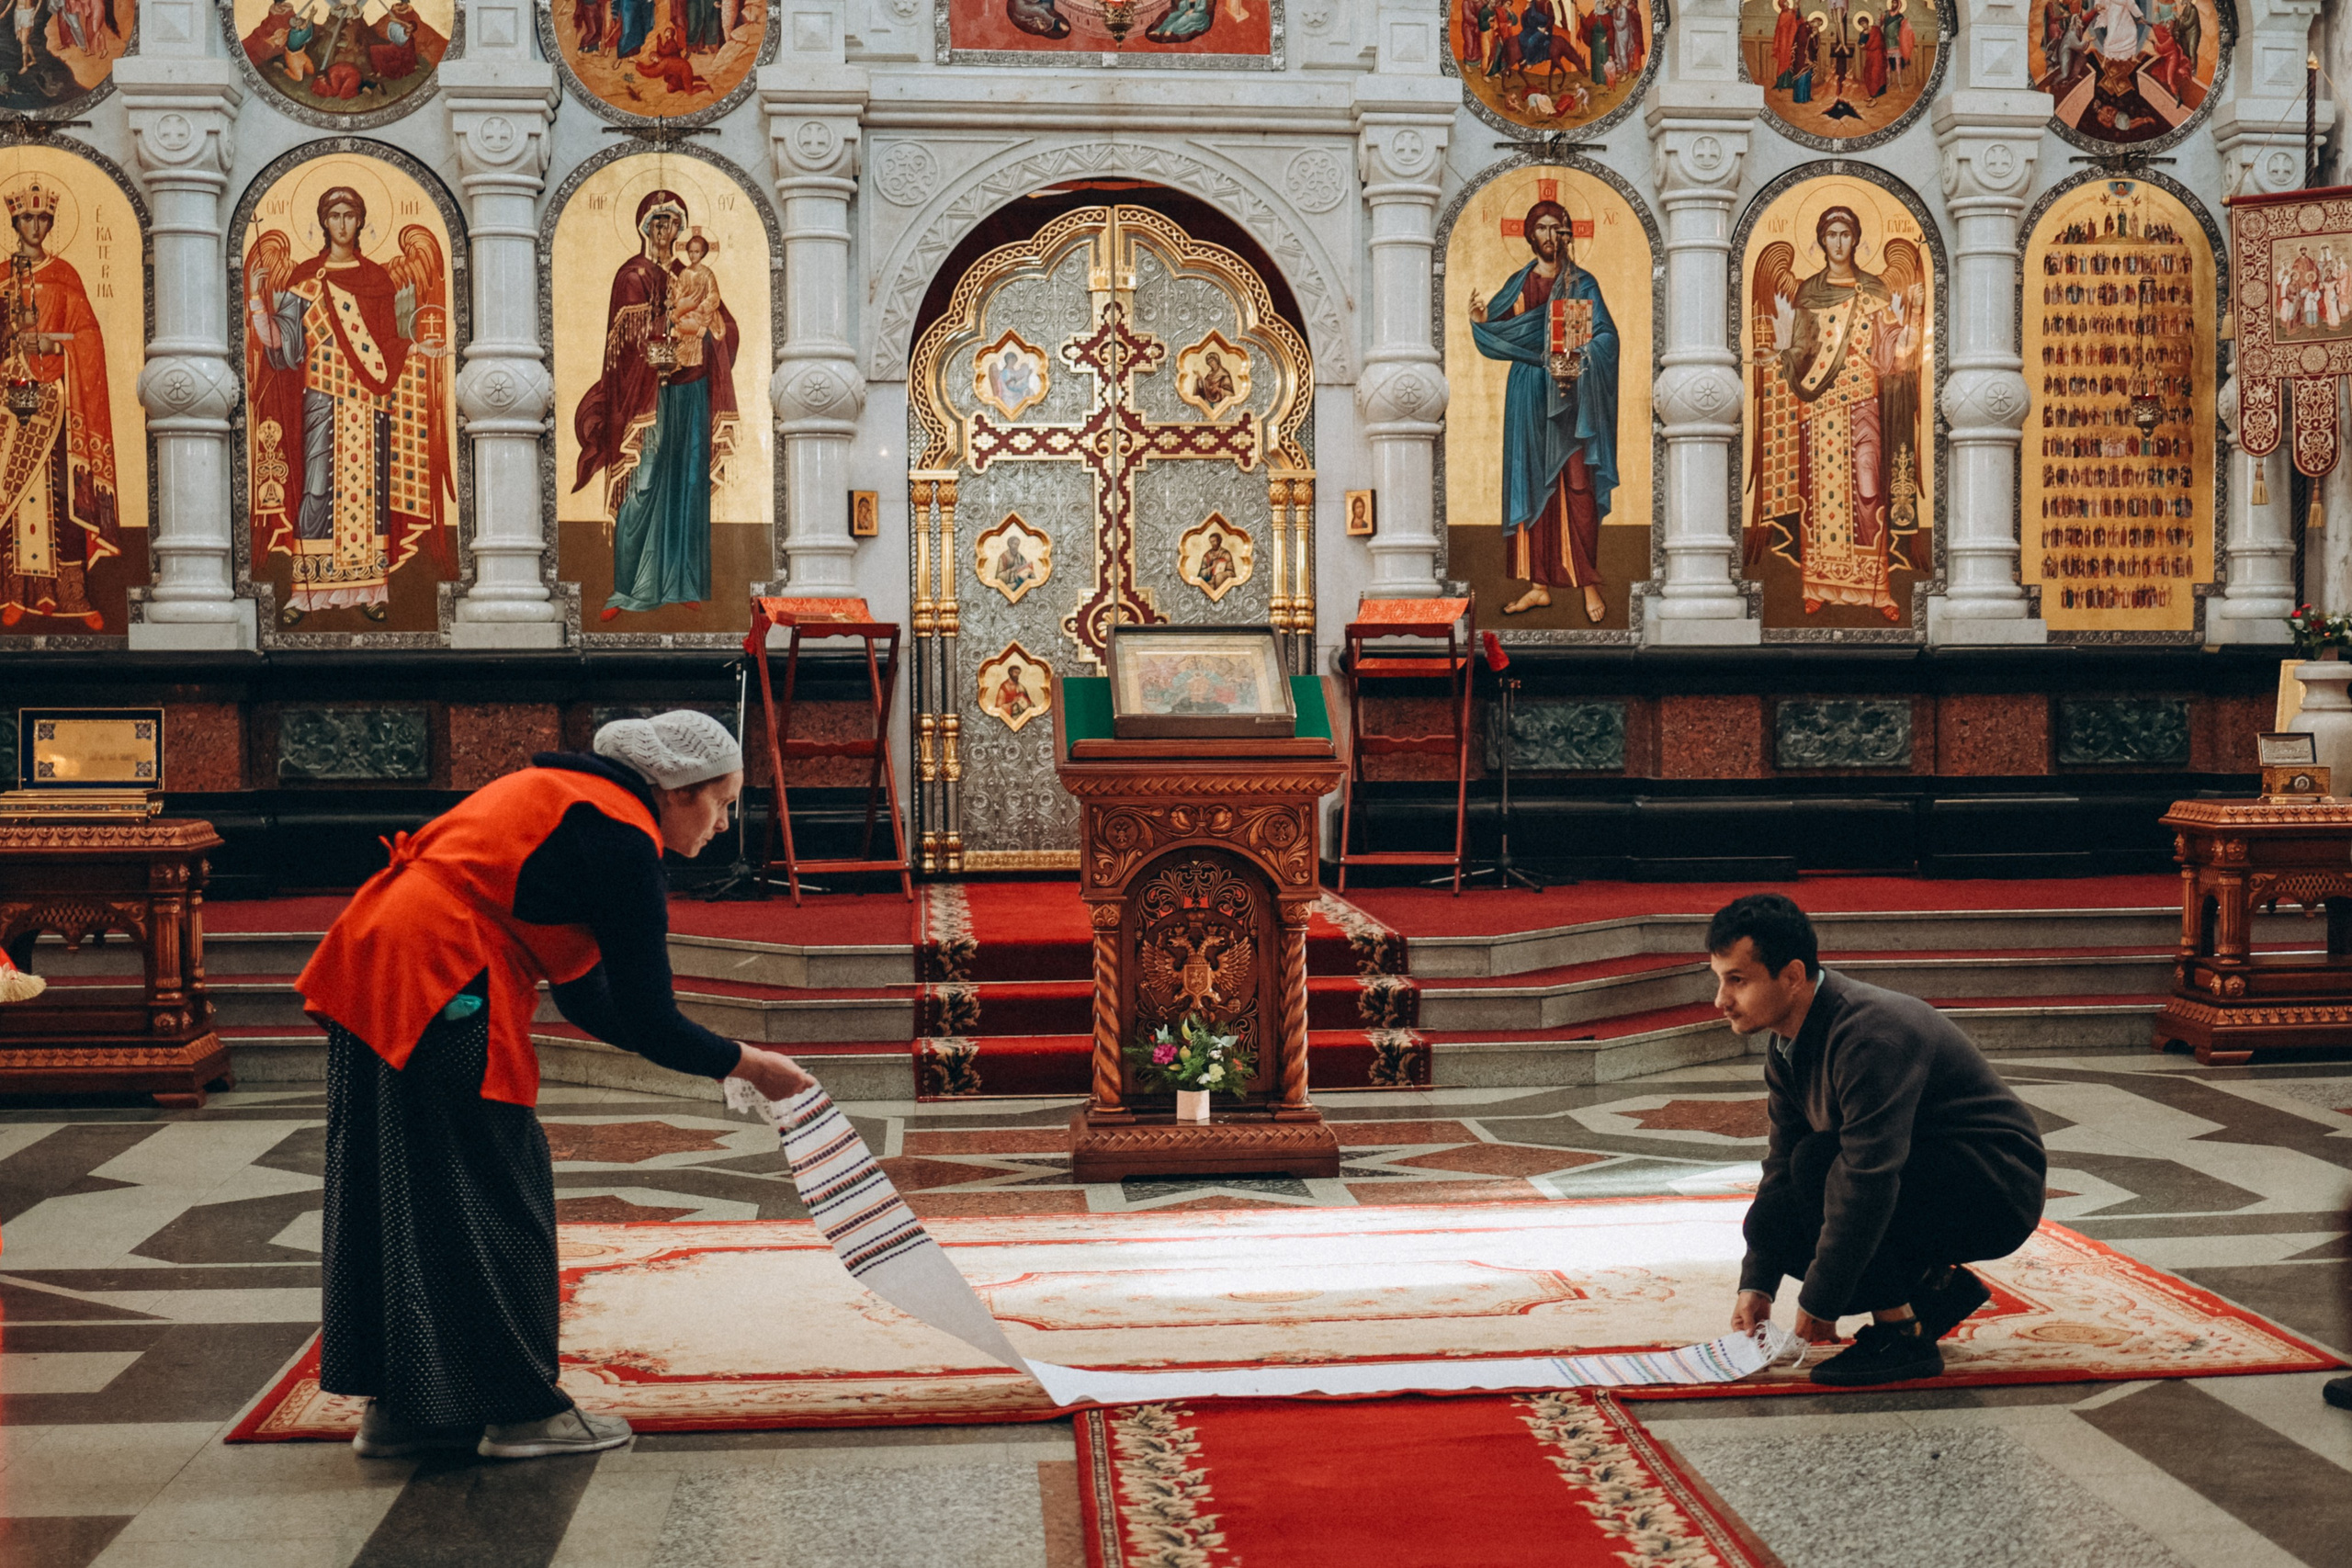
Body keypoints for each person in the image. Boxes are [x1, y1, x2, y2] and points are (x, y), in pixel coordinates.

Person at [300, 711, 817, 1461]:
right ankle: (522, 1410)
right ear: (675, 789)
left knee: (401, 1187)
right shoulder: (620, 830)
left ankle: (408, 1408)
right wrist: (746, 1062)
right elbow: (648, 1012)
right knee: (501, 1191)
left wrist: (725, 1058)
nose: (726, 823)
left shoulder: (568, 798)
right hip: (444, 977)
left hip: (378, 959)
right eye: (723, 801)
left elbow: (587, 998)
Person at [1710, 894, 2047, 1386]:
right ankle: (1936, 1289)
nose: (1720, 1000)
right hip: (1929, 1173)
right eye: (1719, 979)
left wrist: (1820, 1302)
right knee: (1796, 1191)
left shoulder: (1870, 1035)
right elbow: (1777, 1166)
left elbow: (1868, 1177)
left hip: (1995, 1189)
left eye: (1736, 980)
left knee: (1822, 1168)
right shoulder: (1786, 1043)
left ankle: (1902, 1338)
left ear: (1792, 976)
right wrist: (1757, 1281)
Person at [1469, 197, 1621, 624]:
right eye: (1542, 229)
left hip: (1572, 395)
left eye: (1558, 228)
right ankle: (1538, 586)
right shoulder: (1518, 283)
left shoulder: (1582, 284)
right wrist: (1481, 319)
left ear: (1568, 234)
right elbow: (1496, 333)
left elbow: (1608, 337)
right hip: (1528, 395)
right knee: (1533, 483)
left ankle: (1588, 581)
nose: (1550, 237)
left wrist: (1583, 355)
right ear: (1529, 235)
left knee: (1577, 483)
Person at [0, 178, 121, 632]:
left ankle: (71, 594)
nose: (36, 225)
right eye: (27, 217)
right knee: (12, 495)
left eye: (43, 217)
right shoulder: (1, 275)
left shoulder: (65, 274)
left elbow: (89, 338)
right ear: (16, 221)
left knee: (62, 493)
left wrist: (54, 345)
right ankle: (15, 593)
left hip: (55, 401)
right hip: (9, 402)